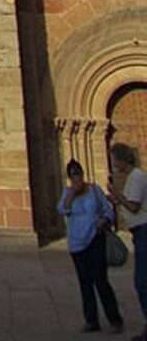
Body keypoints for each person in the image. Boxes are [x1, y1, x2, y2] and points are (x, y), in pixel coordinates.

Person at [58, 158, 124, 334]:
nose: (77, 178)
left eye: (78, 174)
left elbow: (108, 210)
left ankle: (115, 319)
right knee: (85, 282)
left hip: (95, 239)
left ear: (82, 173)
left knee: (101, 281)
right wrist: (72, 193)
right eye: (73, 175)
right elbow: (62, 209)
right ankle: (91, 320)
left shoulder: (94, 190)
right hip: (77, 243)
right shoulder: (67, 192)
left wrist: (104, 220)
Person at [108, 143, 147, 341]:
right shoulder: (133, 176)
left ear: (122, 159)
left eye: (114, 159)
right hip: (140, 233)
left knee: (143, 283)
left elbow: (133, 206)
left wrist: (117, 195)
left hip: (144, 232)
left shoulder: (137, 176)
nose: (113, 163)